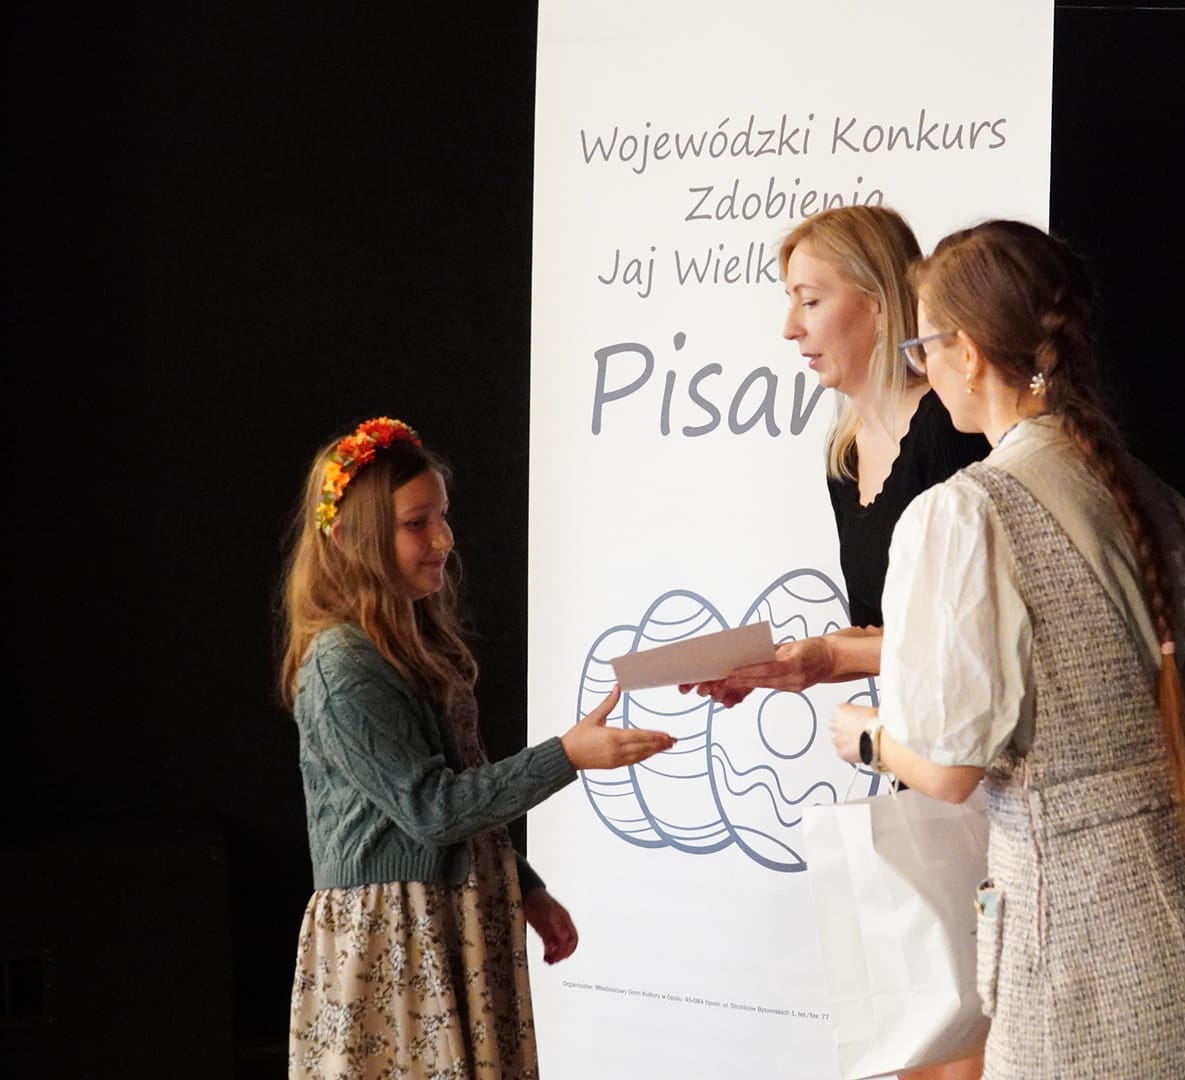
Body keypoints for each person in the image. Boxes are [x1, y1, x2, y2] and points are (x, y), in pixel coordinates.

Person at [829, 220, 1185, 1079]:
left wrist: (867, 737)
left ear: (968, 353)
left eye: (925, 345)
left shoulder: (968, 512)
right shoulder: (1154, 496)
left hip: (1075, 950)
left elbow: (948, 771)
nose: (923, 366)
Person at [278, 416, 675, 1078]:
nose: (443, 538)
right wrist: (567, 755)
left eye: (442, 516)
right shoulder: (340, 664)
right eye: (417, 523)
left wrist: (524, 886)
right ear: (348, 538)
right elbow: (433, 809)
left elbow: (464, 783)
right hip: (397, 938)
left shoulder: (414, 643)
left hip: (449, 916)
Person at [689, 204, 989, 706]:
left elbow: (974, 637)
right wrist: (775, 667)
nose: (790, 328)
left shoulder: (952, 429)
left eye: (809, 302)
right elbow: (885, 639)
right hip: (914, 738)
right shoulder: (844, 457)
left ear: (877, 304)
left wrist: (828, 654)